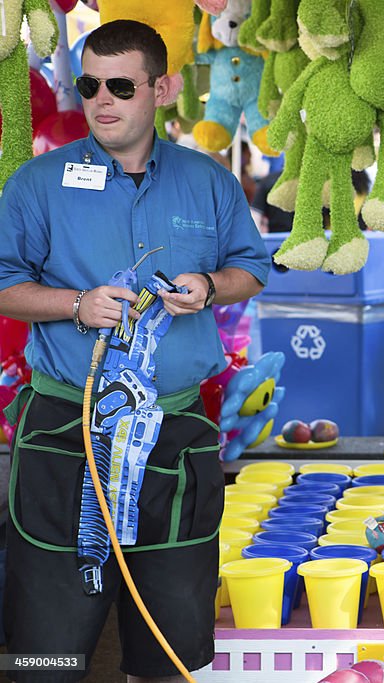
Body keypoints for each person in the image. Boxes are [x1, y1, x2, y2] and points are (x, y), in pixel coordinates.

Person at [0, 20, 270, 682]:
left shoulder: (206, 180)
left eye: (121, 84)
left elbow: (251, 268)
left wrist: (208, 287)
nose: (101, 99)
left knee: (170, 645)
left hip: (174, 436)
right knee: (47, 648)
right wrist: (73, 304)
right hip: (68, 434)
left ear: (164, 87)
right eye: (91, 83)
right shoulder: (39, 181)